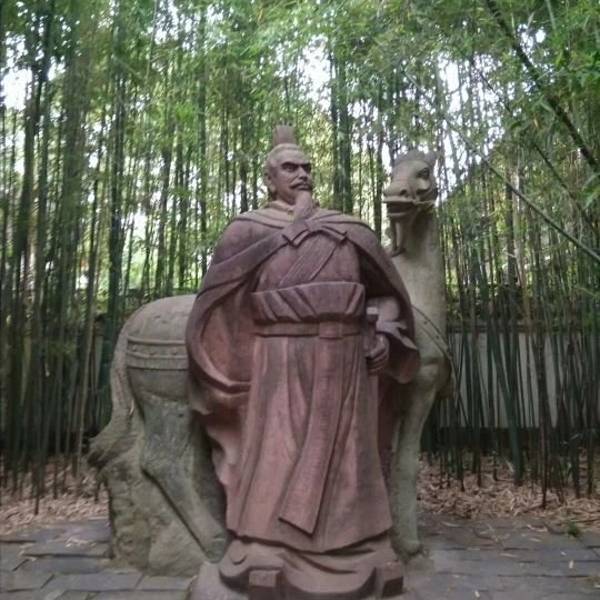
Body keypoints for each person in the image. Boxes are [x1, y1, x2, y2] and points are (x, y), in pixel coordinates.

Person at [186, 127, 419, 598]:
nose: (302, 174)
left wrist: (383, 333)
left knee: (346, 462)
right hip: (278, 362)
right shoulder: (245, 231)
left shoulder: (348, 230)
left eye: (307, 167)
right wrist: (229, 375)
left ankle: (357, 547)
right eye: (290, 168)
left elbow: (388, 297)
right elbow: (217, 306)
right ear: (269, 178)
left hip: (345, 361)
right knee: (276, 455)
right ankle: (264, 547)